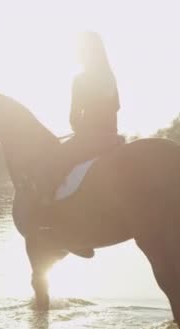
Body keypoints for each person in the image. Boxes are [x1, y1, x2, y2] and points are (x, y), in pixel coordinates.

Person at [36, 31, 122, 203]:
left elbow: (73, 116)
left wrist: (80, 128)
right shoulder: (110, 77)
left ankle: (49, 207)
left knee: (51, 162)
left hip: (89, 140)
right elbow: (117, 106)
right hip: (112, 138)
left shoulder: (80, 79)